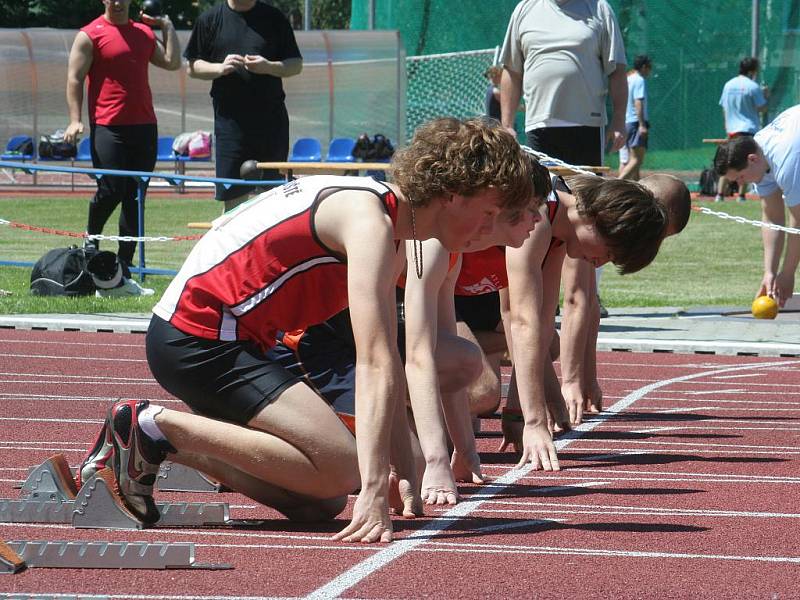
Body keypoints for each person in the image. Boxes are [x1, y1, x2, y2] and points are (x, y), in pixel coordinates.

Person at [74, 117, 536, 543]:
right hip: (199, 338)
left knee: (321, 501)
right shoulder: (369, 222)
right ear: (454, 193)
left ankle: (163, 445)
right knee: (341, 469)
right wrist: (375, 488)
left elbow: (387, 363)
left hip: (238, 341)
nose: (489, 229)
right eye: (491, 212)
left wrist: (405, 472)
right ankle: (147, 425)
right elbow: (376, 362)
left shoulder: (396, 224)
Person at [500, 173, 690, 457]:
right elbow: (517, 317)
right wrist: (534, 420)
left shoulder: (558, 235)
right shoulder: (537, 216)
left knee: (546, 343)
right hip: (438, 291)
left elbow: (540, 319)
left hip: (462, 293)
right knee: (480, 390)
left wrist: (518, 408)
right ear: (601, 218)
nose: (601, 262)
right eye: (610, 252)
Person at [499, 0, 628, 407]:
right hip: (538, 132)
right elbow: (511, 70)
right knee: (537, 246)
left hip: (585, 131)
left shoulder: (599, 9)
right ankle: (543, 386)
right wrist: (505, 124)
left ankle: (579, 379)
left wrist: (621, 120)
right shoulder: (526, 10)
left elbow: (618, 72)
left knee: (581, 261)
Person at [63, 0, 181, 297]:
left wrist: (167, 27)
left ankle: (124, 270)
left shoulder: (142, 33)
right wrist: (75, 120)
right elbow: (75, 79)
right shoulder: (90, 34)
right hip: (107, 126)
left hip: (144, 127)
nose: (117, 2)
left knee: (134, 196)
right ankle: (92, 242)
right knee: (112, 188)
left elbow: (172, 62)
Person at [184, 0, 303, 212]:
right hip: (230, 125)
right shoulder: (210, 19)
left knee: (273, 196)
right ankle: (235, 245)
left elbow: (295, 64)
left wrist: (268, 66)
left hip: (271, 123)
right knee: (233, 198)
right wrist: (220, 68)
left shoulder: (274, 18)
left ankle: (270, 244)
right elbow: (193, 67)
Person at [714, 105, 800, 308]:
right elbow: (772, 218)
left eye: (740, 177)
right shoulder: (758, 152)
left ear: (752, 159)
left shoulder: (787, 162)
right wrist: (769, 272)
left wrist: (788, 273)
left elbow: (797, 224)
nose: (741, 185)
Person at [715, 57, 769, 203]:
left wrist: (727, 126)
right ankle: (741, 196)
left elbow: (724, 107)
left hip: (732, 130)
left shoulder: (728, 85)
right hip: (748, 129)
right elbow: (762, 108)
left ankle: (719, 195)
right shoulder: (752, 86)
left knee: (728, 162)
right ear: (752, 71)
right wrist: (765, 96)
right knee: (745, 164)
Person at [618, 55, 652, 181]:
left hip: (626, 122)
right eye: (649, 68)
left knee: (627, 161)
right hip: (635, 123)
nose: (650, 71)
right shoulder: (639, 80)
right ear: (644, 67)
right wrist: (642, 125)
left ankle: (636, 191)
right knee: (637, 160)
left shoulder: (628, 78)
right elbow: (638, 102)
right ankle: (615, 186)